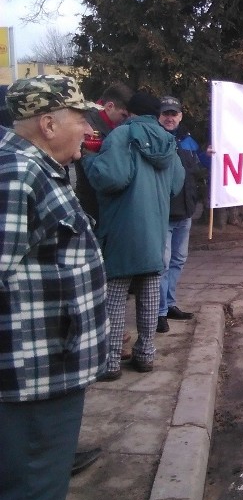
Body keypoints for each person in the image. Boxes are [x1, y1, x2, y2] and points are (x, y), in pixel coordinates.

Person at [0, 75, 108, 500]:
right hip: (32, 376)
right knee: (33, 492)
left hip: (50, 366)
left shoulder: (38, 167)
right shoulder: (17, 173)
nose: (87, 130)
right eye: (80, 119)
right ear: (47, 124)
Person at [83, 92, 184, 377]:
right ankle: (145, 355)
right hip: (154, 229)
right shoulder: (168, 141)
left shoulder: (121, 135)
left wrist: (90, 158)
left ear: (130, 113)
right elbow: (176, 184)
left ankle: (111, 362)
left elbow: (110, 178)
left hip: (121, 229)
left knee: (114, 298)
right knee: (150, 295)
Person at [156, 96, 209, 332]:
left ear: (180, 116)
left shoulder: (188, 141)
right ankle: (158, 313)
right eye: (165, 113)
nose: (169, 117)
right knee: (163, 264)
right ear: (159, 116)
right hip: (163, 213)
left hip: (185, 212)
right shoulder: (155, 139)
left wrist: (208, 154)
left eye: (173, 114)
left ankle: (169, 304)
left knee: (178, 260)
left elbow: (199, 168)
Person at [74, 83, 134, 222]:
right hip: (91, 199)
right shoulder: (87, 126)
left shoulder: (118, 125)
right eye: (123, 115)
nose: (125, 120)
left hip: (110, 199)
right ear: (109, 106)